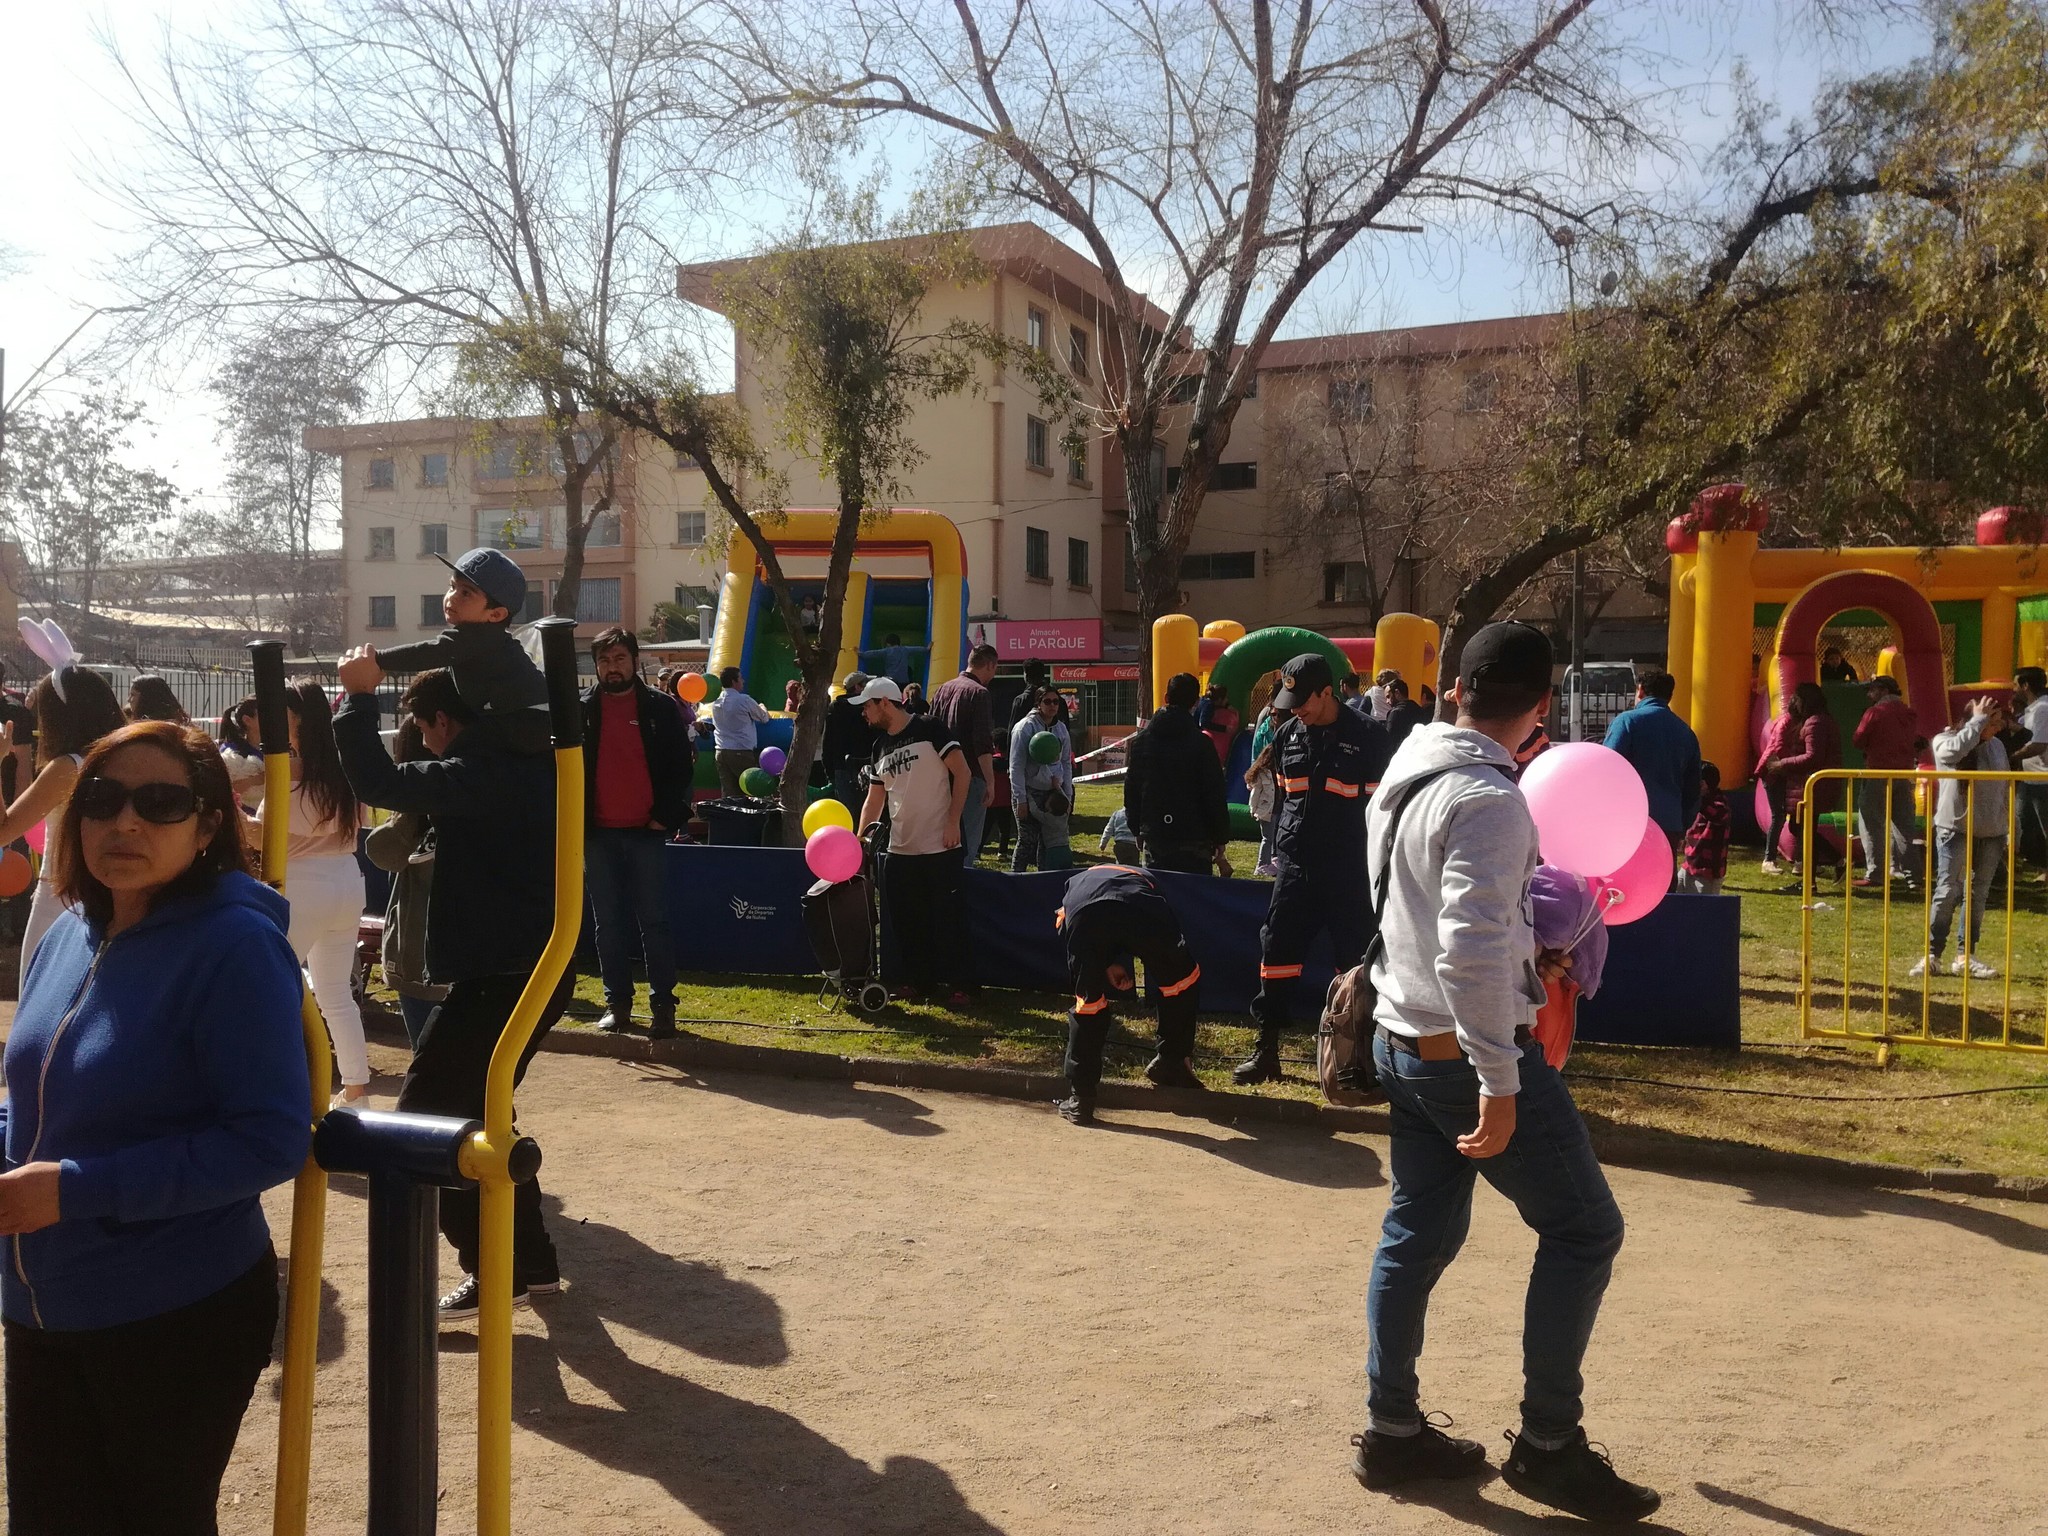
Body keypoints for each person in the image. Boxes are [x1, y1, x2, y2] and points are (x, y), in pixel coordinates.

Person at [1354, 620, 1655, 1524]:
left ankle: (1393, 1430)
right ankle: (1548, 1446)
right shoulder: (1489, 800)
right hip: (1461, 1052)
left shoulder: (1407, 767)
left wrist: (1529, 962)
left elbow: (1445, 923)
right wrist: (1499, 1075)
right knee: (1584, 1232)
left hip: (1400, 1036)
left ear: (1455, 688)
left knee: (1417, 1234)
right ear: (1541, 704)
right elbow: (1468, 950)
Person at [0, 719, 309, 1535]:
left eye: (160, 802)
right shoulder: (69, 930)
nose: (125, 823)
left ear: (209, 826)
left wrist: (71, 1190)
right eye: (102, 799)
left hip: (174, 1307)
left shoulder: (235, 946)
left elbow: (270, 1137)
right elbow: (35, 1095)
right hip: (41, 1303)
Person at [333, 655, 568, 1319]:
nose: (426, 743)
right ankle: (532, 1263)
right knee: (486, 1111)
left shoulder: (479, 769)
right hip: (524, 965)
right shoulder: (527, 761)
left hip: (508, 972)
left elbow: (376, 778)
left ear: (442, 721)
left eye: (425, 730)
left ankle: (495, 1270)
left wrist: (358, 700)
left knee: (429, 1115)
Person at [1235, 653, 1393, 1085]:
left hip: (1349, 871)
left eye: (1304, 699)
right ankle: (1266, 1052)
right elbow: (1288, 800)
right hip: (1296, 868)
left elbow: (1383, 814)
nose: (1297, 708)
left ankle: (1358, 1061)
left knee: (1355, 966)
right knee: (1277, 955)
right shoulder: (1287, 735)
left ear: (1329, 691)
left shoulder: (1371, 739)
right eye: (1291, 699)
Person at [263, 680, 371, 1106]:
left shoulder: (299, 771)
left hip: (304, 886)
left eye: (284, 713)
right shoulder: (340, 769)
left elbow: (264, 835)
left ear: (299, 719)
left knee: (276, 989)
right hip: (346, 879)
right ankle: (357, 1090)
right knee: (334, 994)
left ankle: (286, 1090)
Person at [582, 627, 692, 1039]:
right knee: (607, 924)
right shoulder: (583, 709)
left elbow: (682, 768)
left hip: (647, 832)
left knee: (655, 922)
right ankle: (618, 1004)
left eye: (620, 659)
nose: (613, 668)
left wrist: (666, 816)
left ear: (634, 661)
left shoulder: (660, 708)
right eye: (605, 661)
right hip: (597, 835)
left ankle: (663, 1006)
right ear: (596, 666)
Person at [0, 667, 128, 983]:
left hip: (60, 898)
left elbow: (3, 831)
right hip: (115, 895)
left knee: (38, 1001)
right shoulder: (125, 758)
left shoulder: (67, 766)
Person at [1053, 863, 1204, 1125]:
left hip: (1087, 917)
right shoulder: (1145, 878)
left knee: (1088, 1005)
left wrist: (1101, 964)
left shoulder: (1075, 885)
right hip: (1140, 908)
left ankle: (1081, 1100)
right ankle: (1173, 1061)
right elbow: (1145, 922)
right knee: (1181, 982)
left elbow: (1069, 928)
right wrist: (1111, 963)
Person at [365, 546, 551, 755]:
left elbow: (429, 652)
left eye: (466, 593)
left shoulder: (478, 637)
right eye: (452, 586)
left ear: (496, 614)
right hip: (524, 718)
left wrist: (377, 659)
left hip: (531, 719)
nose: (451, 598)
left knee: (466, 750)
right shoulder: (480, 641)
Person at [854, 677, 972, 1005]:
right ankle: (921, 984)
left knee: (948, 919)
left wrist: (952, 823)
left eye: (867, 705)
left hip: (940, 844)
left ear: (886, 703)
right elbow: (873, 801)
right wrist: (860, 840)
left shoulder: (930, 728)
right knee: (909, 923)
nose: (864, 712)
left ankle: (961, 985)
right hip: (899, 849)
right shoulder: (878, 747)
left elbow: (963, 774)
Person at [363, 717, 448, 1049]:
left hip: (428, 958)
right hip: (423, 958)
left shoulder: (431, 802)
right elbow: (382, 852)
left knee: (434, 1071)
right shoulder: (414, 812)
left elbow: (380, 851)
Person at [1913, 695, 2011, 980]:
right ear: (1973, 720)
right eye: (1992, 720)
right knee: (1947, 890)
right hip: (1954, 829)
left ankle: (1965, 955)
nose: (1998, 726)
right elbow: (1952, 754)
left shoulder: (1998, 747)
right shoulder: (1946, 739)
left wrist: (2010, 827)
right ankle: (1932, 953)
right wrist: (1978, 722)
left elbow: (2005, 787)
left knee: (1977, 894)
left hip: (1991, 832)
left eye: (1997, 720)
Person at [1124, 671, 1229, 875]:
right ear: (1195, 703)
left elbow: (1132, 788)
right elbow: (1214, 792)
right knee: (1194, 899)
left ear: (1166, 698)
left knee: (1159, 896)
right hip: (1195, 837)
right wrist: (1219, 836)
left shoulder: (1142, 742)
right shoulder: (1202, 744)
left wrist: (1136, 827)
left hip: (1156, 833)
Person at [1601, 667, 1701, 859]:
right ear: (1669, 696)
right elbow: (1693, 788)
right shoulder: (1686, 733)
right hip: (1669, 824)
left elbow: (1608, 768)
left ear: (1640, 690)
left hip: (1629, 821)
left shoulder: (1627, 722)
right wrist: (1682, 823)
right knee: (1661, 881)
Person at [1761, 682, 1843, 879]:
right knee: (1801, 828)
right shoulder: (1819, 721)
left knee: (1801, 828)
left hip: (1815, 785)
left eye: (1797, 699)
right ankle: (1820, 871)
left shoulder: (1815, 723)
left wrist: (1783, 764)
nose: (1794, 703)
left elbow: (1812, 756)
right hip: (1811, 784)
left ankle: (1831, 863)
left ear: (1806, 701)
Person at [930, 644, 999, 866]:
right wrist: (990, 781)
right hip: (971, 777)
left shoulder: (943, 689)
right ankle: (962, 889)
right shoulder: (980, 693)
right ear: (989, 665)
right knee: (967, 842)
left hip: (942, 777)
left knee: (942, 841)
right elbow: (982, 743)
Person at [1852, 675, 1923, 888]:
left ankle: (1876, 874)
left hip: (1878, 773)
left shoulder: (1875, 713)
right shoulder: (1909, 713)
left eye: (1872, 690)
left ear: (1882, 691)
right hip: (1904, 774)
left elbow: (1858, 739)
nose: (1868, 695)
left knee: (1872, 824)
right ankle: (1914, 877)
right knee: (1904, 828)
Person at [1009, 685, 1075, 872]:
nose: (1053, 705)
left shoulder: (1061, 729)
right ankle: (1016, 879)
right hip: (1028, 790)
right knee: (1027, 840)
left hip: (1052, 792)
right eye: (1047, 701)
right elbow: (1016, 765)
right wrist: (1020, 799)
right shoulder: (1025, 728)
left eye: (1056, 702)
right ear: (1038, 704)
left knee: (1046, 843)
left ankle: (1043, 878)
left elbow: (1066, 763)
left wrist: (1067, 796)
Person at [710, 666, 772, 797]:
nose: (743, 681)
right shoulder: (743, 700)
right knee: (752, 788)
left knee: (729, 793)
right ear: (734, 682)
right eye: (740, 678)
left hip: (721, 750)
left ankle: (729, 816)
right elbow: (763, 718)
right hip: (741, 751)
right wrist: (762, 707)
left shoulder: (716, 702)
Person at [821, 671, 876, 811]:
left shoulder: (835, 708)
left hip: (841, 767)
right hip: (868, 765)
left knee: (848, 813)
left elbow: (827, 743)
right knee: (870, 811)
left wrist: (830, 773)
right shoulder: (868, 707)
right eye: (865, 684)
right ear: (857, 687)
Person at [1757, 694, 1798, 874]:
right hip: (1773, 772)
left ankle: (1778, 858)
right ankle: (1769, 859)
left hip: (1776, 771)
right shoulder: (1787, 722)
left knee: (1781, 814)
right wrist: (1795, 759)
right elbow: (1780, 747)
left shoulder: (1787, 720)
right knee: (1778, 815)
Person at [2012, 667, 2048, 875]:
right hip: (2029, 778)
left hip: (2043, 779)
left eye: (2016, 684)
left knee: (2044, 828)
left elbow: (2038, 745)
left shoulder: (2043, 708)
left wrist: (2011, 758)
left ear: (2025, 686)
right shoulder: (2034, 708)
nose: (2013, 688)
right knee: (2022, 823)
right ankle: (2037, 865)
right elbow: (2029, 732)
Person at [1679, 762, 1732, 895]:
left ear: (1703, 784)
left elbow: (1717, 815)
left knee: (1702, 910)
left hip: (1707, 873)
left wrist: (1696, 797)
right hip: (1688, 866)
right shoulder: (1696, 804)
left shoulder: (1720, 805)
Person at [217, 695, 267, 798]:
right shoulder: (231, 754)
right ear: (247, 720)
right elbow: (223, 788)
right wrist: (257, 779)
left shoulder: (281, 749)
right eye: (265, 714)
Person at [1008, 657, 1072, 731]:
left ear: (1026, 675)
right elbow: (1066, 729)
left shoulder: (1021, 701)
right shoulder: (1057, 699)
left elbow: (1013, 731)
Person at [1246, 739, 1279, 877]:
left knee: (1275, 837)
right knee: (1267, 838)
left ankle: (1272, 862)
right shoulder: (1263, 773)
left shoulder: (1279, 771)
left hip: (1277, 808)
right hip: (1266, 810)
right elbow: (1255, 792)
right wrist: (1253, 809)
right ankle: (1261, 865)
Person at [859, 632, 927, 689]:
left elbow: (873, 653)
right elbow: (917, 649)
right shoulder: (905, 650)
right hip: (904, 682)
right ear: (899, 643)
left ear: (888, 644)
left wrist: (861, 654)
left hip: (890, 681)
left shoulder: (887, 651)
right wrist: (926, 648)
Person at [1195, 681, 1240, 767]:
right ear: (1219, 699)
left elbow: (1218, 705)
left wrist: (1227, 706)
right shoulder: (1208, 705)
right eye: (1225, 698)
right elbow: (1203, 723)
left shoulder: (1206, 700)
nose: (1227, 700)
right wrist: (1224, 728)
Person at [1383, 678, 1430, 749]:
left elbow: (1389, 740)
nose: (1387, 701)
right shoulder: (1419, 710)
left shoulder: (1395, 713)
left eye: (1388, 696)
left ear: (1397, 693)